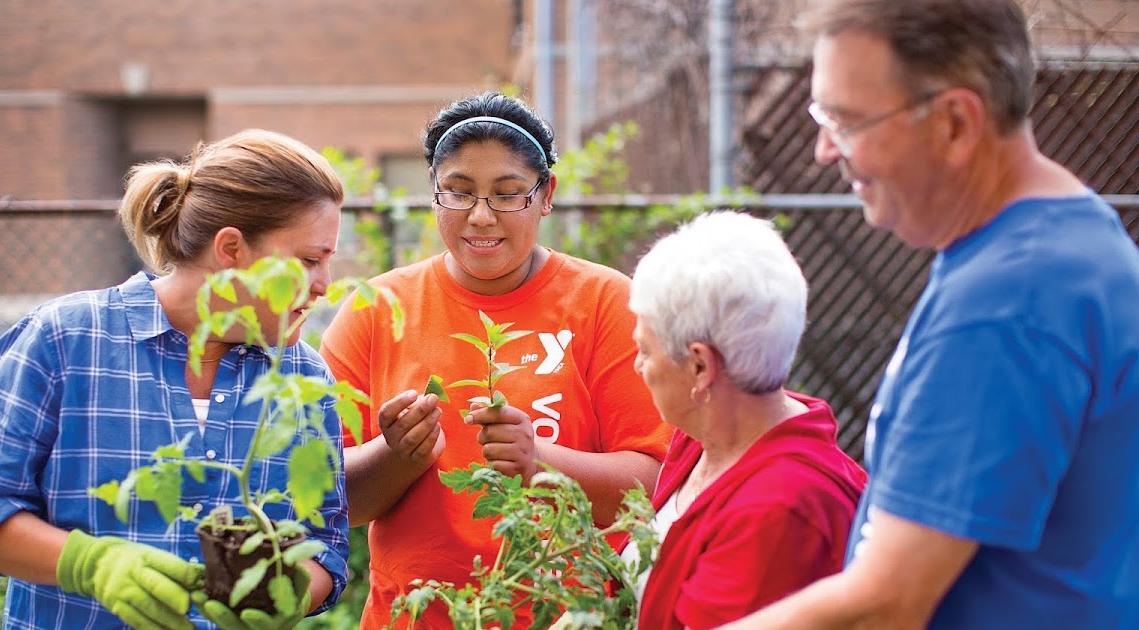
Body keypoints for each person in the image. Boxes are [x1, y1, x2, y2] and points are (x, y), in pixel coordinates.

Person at [721, 1, 1139, 628]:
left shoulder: (1008, 304)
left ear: (954, 123)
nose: (822, 151)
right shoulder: (1063, 243)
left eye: (846, 121)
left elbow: (886, 604)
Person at [0, 129, 352, 629]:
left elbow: (324, 541)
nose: (324, 285)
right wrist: (88, 565)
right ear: (231, 249)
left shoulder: (302, 377)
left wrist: (289, 593)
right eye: (309, 260)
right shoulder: (67, 340)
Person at [319, 91, 672, 629]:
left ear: (546, 194)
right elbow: (333, 495)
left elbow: (655, 483)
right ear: (433, 193)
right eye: (457, 193)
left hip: (569, 617)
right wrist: (397, 456)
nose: (481, 217)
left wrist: (539, 462)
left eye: (508, 194)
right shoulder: (375, 310)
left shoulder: (605, 304)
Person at [621, 210, 866, 630]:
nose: (637, 365)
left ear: (700, 367)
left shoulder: (778, 513)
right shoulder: (702, 435)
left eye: (645, 349)